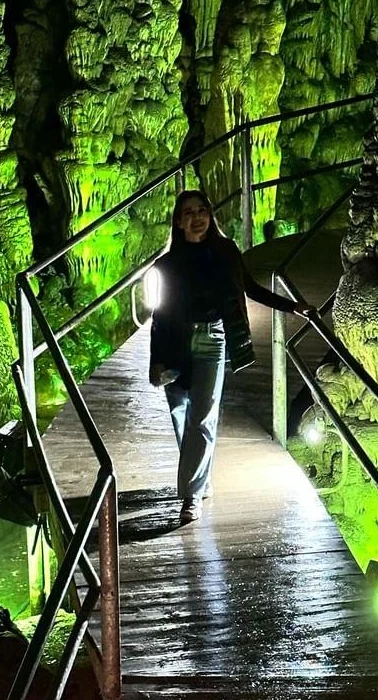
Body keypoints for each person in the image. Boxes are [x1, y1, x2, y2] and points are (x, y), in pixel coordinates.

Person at [149, 189, 313, 524]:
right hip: (175, 344)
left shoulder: (225, 251)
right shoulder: (166, 265)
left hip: (214, 340)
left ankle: (191, 497)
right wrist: (156, 360)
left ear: (210, 216)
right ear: (178, 222)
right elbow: (159, 316)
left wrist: (292, 306)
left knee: (203, 417)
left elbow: (250, 288)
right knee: (181, 414)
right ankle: (200, 478)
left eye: (202, 210)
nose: (197, 218)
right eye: (189, 213)